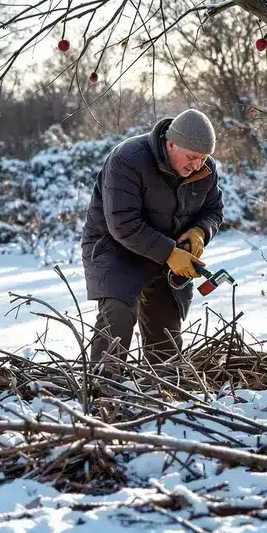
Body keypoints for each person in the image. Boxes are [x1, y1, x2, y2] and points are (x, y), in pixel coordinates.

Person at [81, 109, 224, 369]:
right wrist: (170, 253)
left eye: (203, 159)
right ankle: (103, 391)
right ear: (171, 143)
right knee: (119, 312)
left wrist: (200, 232)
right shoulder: (128, 159)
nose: (197, 166)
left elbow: (213, 211)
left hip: (168, 255)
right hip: (115, 248)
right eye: (192, 157)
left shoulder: (205, 170)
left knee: (165, 324)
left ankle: (164, 391)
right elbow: (123, 223)